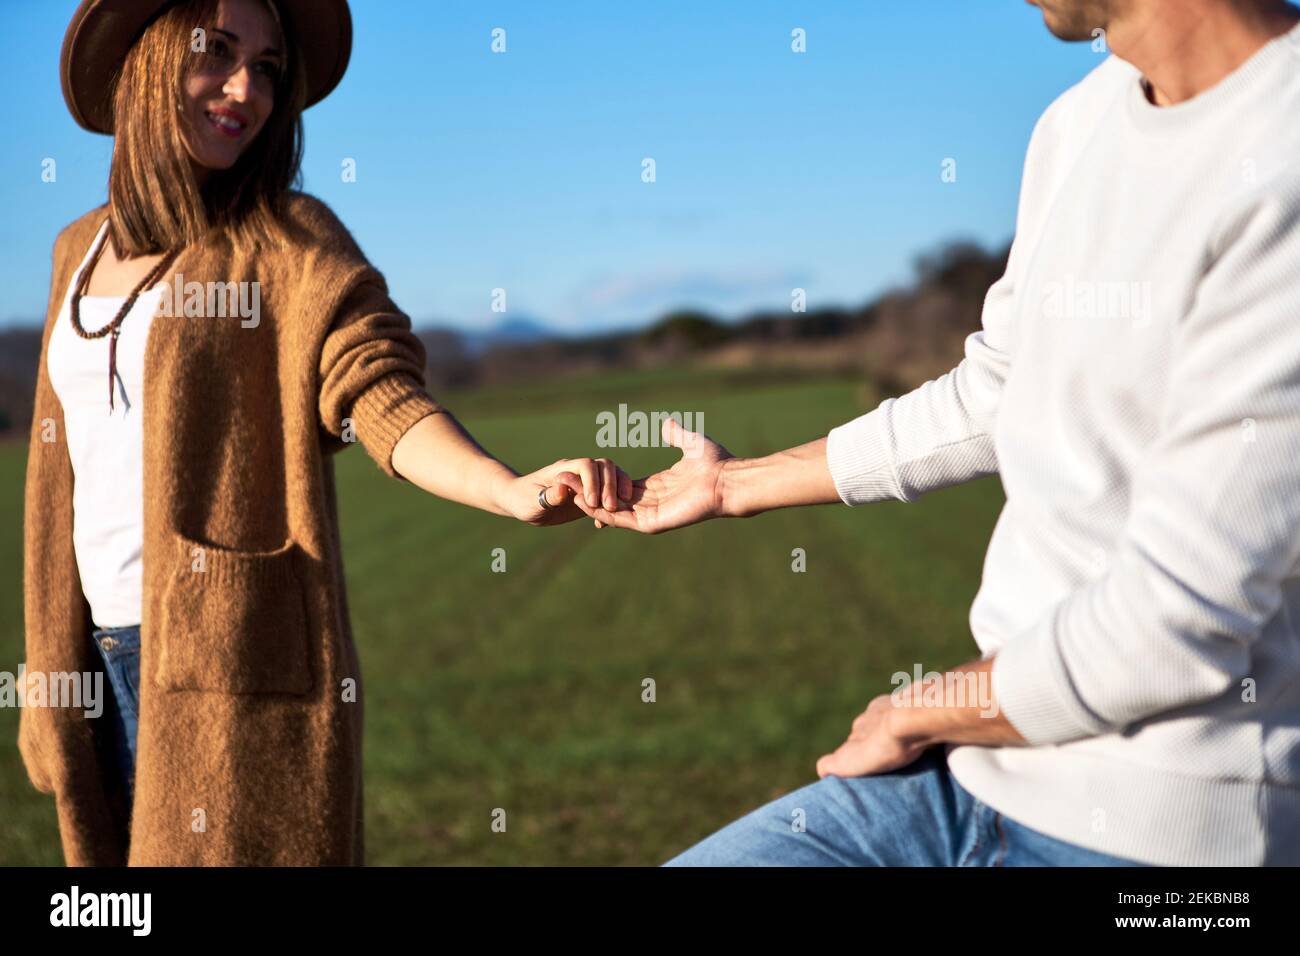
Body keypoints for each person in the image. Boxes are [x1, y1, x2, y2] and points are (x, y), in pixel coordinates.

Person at [580, 0, 1300, 866]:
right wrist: (735, 483)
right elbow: (997, 387)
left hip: (1164, 833)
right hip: (971, 779)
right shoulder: (1078, 122)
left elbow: (1175, 619)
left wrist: (917, 709)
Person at [20, 0, 630, 866]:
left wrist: (506, 487)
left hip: (222, 664)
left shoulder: (289, 241)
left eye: (268, 67)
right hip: (89, 658)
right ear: (148, 59)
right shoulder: (73, 250)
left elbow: (371, 386)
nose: (246, 89)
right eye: (220, 52)